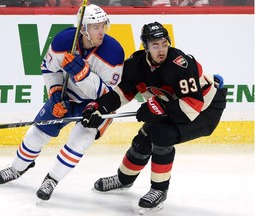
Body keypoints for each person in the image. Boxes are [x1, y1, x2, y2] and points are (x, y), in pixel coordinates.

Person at [81, 22, 227, 214]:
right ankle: (124, 179)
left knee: (161, 134)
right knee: (143, 138)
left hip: (206, 109)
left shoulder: (181, 64)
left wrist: (157, 107)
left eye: (164, 44)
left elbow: (192, 105)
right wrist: (99, 106)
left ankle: (159, 190)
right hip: (175, 107)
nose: (161, 50)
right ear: (146, 47)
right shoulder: (137, 65)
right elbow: (123, 93)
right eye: (155, 45)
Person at [0, 4, 124, 201]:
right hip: (67, 95)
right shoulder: (63, 41)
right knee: (37, 133)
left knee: (80, 141)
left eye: (103, 25)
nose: (101, 31)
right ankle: (17, 168)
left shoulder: (113, 52)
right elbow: (48, 68)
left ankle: (52, 179)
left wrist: (83, 74)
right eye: (95, 27)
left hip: (96, 106)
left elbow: (107, 94)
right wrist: (54, 95)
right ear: (83, 29)